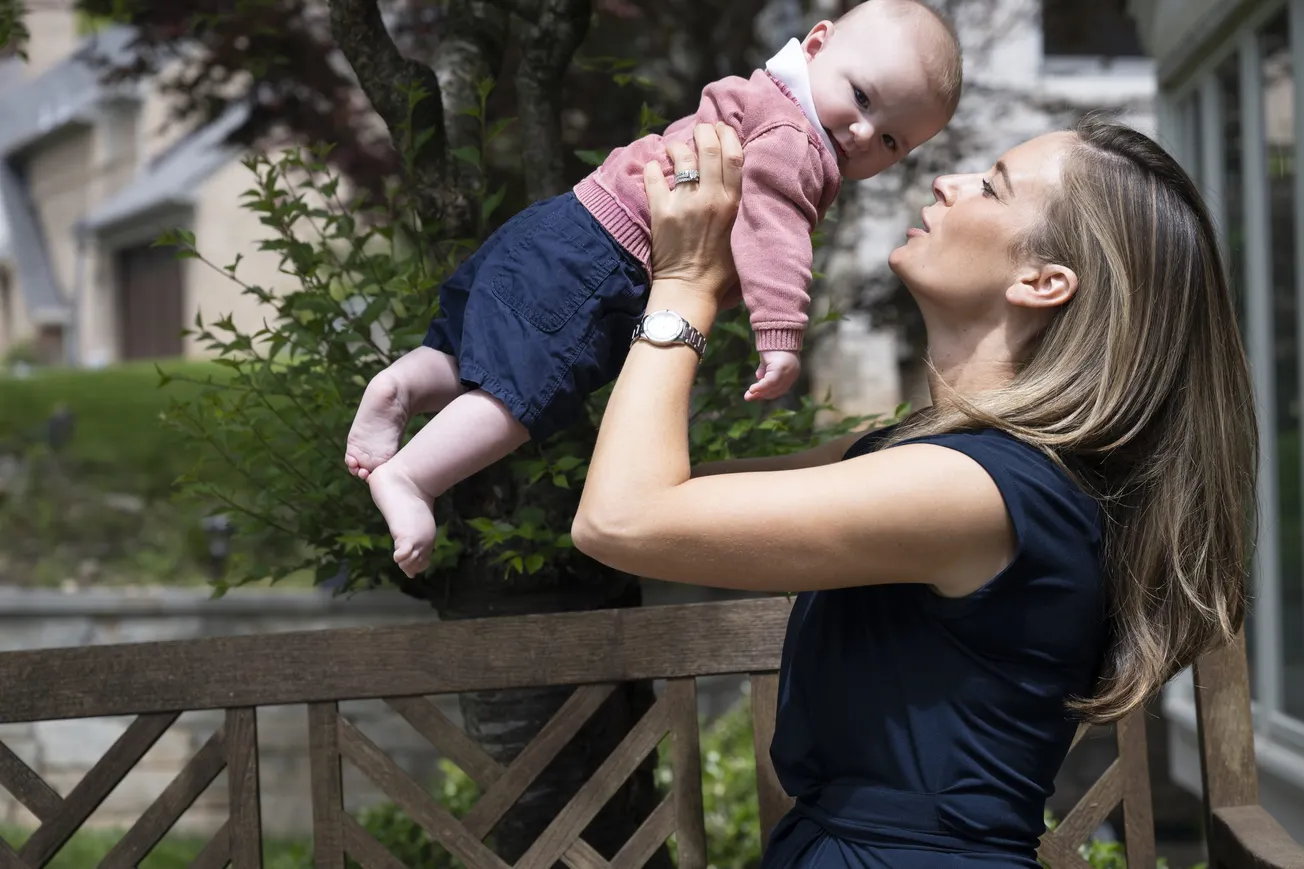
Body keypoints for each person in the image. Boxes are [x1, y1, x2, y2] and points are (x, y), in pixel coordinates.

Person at [572, 119, 1256, 868]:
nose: (946, 181)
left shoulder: (975, 490)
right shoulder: (928, 457)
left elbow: (623, 518)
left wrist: (686, 285)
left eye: (991, 186)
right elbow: (656, 493)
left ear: (1042, 281)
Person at [343, 0, 964, 577]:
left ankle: (401, 385)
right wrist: (780, 331)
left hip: (564, 223)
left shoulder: (760, 96)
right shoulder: (796, 141)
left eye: (890, 141)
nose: (860, 132)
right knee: (522, 394)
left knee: (470, 357)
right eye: (860, 97)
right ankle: (414, 479)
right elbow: (773, 233)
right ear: (817, 44)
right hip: (604, 264)